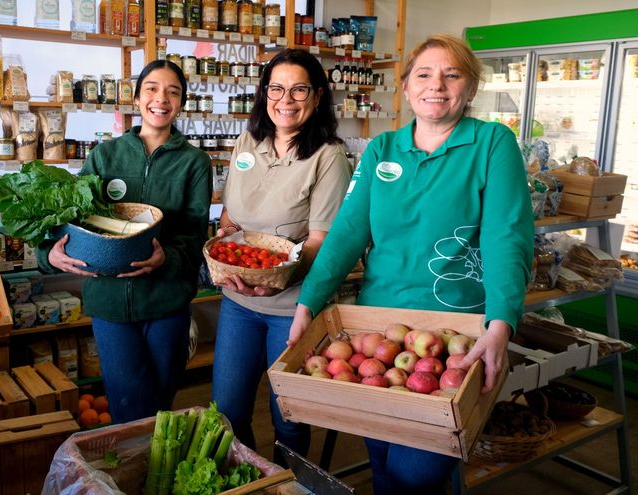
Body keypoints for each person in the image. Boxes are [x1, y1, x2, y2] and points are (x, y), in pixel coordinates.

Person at [290, 33, 534, 494]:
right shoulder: (382, 150)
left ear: (471, 87)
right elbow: (346, 234)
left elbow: (508, 237)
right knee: (383, 461)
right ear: (405, 87)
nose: (436, 85)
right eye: (423, 74)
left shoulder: (491, 144)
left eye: (451, 74)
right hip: (375, 331)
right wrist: (308, 303)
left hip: (457, 332)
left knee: (414, 471)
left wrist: (501, 322)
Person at [37, 60, 211, 424]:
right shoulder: (105, 155)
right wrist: (49, 252)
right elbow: (74, 217)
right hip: (110, 303)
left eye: (172, 91)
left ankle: (153, 478)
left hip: (166, 301)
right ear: (135, 97)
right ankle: (132, 478)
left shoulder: (195, 163)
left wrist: (168, 258)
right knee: (126, 407)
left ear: (182, 102)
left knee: (161, 407)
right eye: (151, 88)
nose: (160, 99)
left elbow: (194, 236)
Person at [211, 48, 352, 462]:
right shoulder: (246, 141)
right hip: (238, 300)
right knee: (229, 409)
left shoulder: (328, 157)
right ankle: (254, 480)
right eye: (276, 88)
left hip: (291, 308)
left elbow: (319, 242)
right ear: (263, 92)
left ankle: (289, 483)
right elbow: (230, 216)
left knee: (287, 414)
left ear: (318, 96)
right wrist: (227, 247)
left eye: (298, 89)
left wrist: (270, 277)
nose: (285, 99)